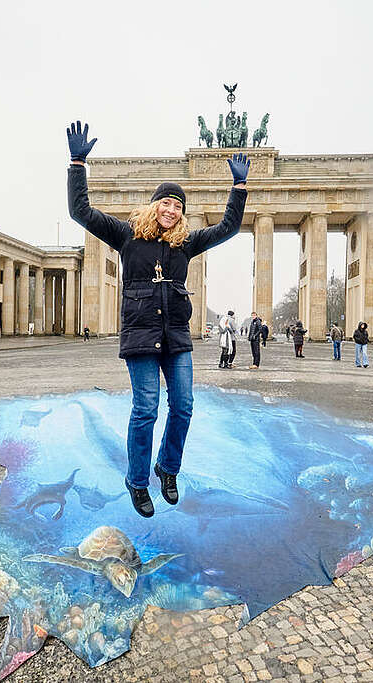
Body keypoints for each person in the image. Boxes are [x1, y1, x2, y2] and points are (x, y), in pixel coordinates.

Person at [67, 120, 249, 517]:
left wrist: (238, 190)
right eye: (166, 203)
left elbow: (229, 227)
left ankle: (167, 469)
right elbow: (80, 211)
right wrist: (78, 163)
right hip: (140, 337)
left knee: (183, 405)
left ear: (182, 215)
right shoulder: (127, 235)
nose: (171, 209)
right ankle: (137, 481)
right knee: (146, 408)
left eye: (178, 206)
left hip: (176, 337)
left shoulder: (186, 243)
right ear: (154, 206)